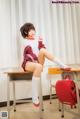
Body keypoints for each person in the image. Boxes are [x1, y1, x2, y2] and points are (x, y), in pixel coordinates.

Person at [20, 23, 70, 107]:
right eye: (30, 30)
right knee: (38, 66)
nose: (33, 31)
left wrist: (40, 43)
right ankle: (34, 96)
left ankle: (62, 65)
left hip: (37, 62)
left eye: (33, 30)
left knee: (43, 50)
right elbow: (28, 53)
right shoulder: (24, 41)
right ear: (25, 32)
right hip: (28, 62)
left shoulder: (37, 40)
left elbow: (42, 51)